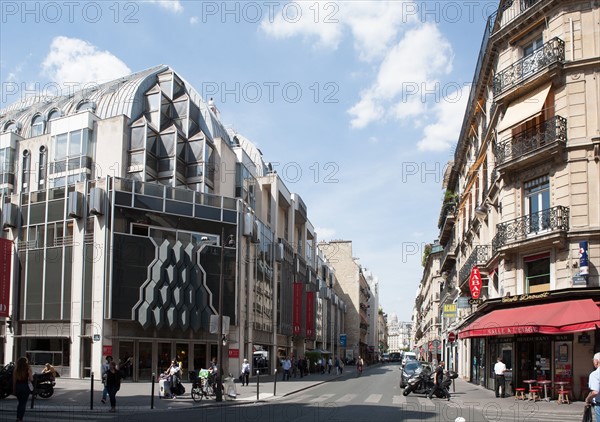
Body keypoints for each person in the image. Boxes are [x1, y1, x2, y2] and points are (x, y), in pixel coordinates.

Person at [13, 356, 33, 422]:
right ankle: (20, 419)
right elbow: (31, 378)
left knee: (20, 403)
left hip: (18, 387)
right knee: (23, 403)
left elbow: (14, 380)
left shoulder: (16, 368)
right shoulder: (28, 368)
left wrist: (14, 389)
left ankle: (17, 417)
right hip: (25, 387)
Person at [585, 352, 600, 422]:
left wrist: (588, 399)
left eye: (593, 360)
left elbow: (595, 392)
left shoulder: (595, 374)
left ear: (597, 361)